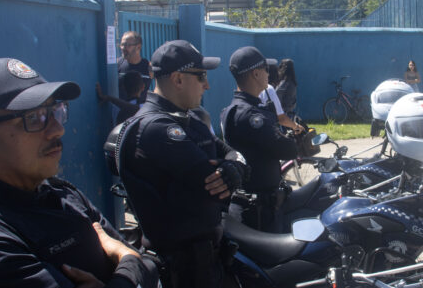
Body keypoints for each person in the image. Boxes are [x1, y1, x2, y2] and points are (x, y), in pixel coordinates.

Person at [0, 58, 158, 288]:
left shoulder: (62, 196)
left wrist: (129, 267)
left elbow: (150, 265)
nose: (57, 130)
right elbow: (136, 261)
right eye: (33, 117)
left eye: (56, 111)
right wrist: (128, 263)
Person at [121, 40, 248, 288]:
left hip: (206, 261)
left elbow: (232, 154)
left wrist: (235, 166)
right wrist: (232, 167)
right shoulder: (157, 129)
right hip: (182, 271)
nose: (207, 85)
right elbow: (210, 183)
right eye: (201, 76)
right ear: (178, 79)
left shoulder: (190, 121)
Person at [221, 46, 298, 232]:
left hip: (258, 206)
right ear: (255, 74)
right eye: (265, 70)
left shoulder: (238, 109)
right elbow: (288, 150)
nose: (268, 74)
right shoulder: (249, 115)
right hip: (257, 212)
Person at [259, 63, 304, 134]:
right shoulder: (293, 83)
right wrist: (296, 126)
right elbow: (281, 118)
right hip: (281, 116)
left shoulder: (256, 89)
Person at [118, 31, 153, 102]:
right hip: (123, 111)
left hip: (141, 111)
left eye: (127, 45)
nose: (123, 48)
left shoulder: (149, 67)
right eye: (122, 44)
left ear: (138, 47)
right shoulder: (117, 64)